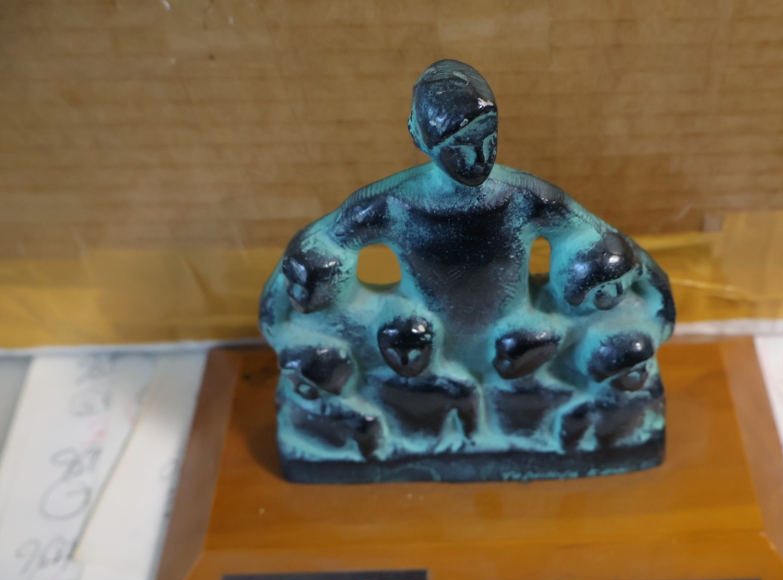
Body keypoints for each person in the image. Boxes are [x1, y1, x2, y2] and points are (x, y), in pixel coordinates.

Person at [259, 60, 675, 483]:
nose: (479, 157)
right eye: (459, 145)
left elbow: (614, 249)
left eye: (489, 138)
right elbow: (310, 254)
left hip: (514, 345)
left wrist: (652, 307)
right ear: (419, 137)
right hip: (426, 346)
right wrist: (287, 313)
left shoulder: (524, 197)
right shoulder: (393, 203)